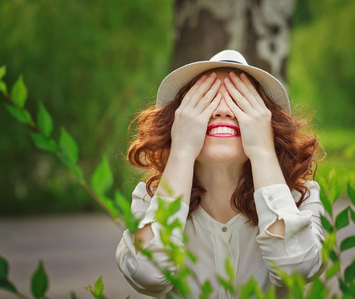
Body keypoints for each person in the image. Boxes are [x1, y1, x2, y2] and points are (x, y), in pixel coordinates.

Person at [116, 50, 325, 298]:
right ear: (180, 119)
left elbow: (296, 269)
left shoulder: (300, 198)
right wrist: (182, 150)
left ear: (266, 120)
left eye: (239, 100)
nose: (222, 111)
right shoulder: (149, 200)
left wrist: (262, 149)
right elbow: (148, 275)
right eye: (207, 99)